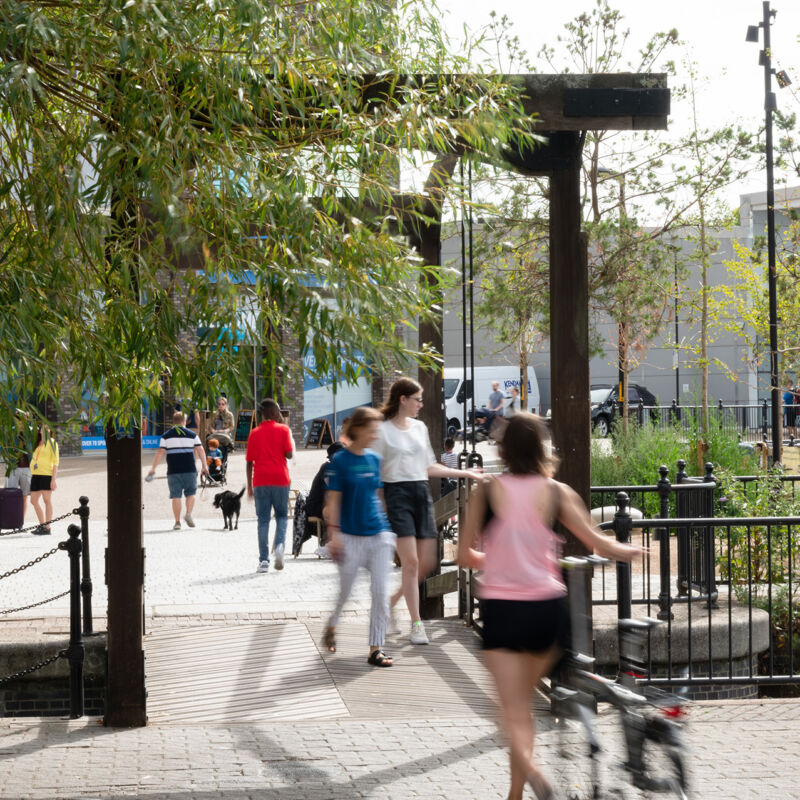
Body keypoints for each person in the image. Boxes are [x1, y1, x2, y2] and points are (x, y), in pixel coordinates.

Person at [457, 412, 643, 800]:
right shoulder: (557, 492)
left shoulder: (486, 491)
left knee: (511, 713)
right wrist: (628, 550)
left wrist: (497, 558)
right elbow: (599, 543)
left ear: (503, 448)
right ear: (542, 447)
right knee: (521, 710)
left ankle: (538, 777)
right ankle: (514, 795)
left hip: (504, 610)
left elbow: (463, 555)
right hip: (547, 611)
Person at [374, 377, 483, 645]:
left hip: (421, 493)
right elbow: (375, 471)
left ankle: (392, 601)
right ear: (403, 399)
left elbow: (429, 466)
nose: (421, 404)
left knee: (428, 563)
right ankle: (416, 623)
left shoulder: (420, 428)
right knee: (410, 562)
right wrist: (379, 506)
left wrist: (463, 472)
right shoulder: (383, 430)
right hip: (396, 493)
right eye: (417, 399)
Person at [323, 407, 396, 667]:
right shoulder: (341, 461)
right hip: (350, 536)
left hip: (378, 534)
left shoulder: (375, 459)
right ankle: (332, 624)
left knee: (380, 591)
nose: (376, 434)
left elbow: (377, 497)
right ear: (360, 429)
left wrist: (386, 528)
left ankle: (375, 649)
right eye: (373, 429)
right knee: (345, 592)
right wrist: (335, 536)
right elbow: (334, 500)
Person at [246, 398, 294, 573]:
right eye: (279, 411)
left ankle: (264, 561)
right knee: (282, 516)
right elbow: (289, 455)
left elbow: (249, 462)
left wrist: (250, 486)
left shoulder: (254, 433)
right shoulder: (283, 430)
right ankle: (280, 547)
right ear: (274, 413)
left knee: (263, 520)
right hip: (281, 479)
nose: (281, 414)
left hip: (260, 481)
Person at [146, 411, 209, 530]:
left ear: (173, 422)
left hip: (173, 470)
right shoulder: (192, 434)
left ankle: (177, 522)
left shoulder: (166, 436)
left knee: (176, 496)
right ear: (184, 422)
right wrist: (205, 466)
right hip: (189, 469)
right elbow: (200, 449)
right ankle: (189, 514)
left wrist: (153, 469)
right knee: (191, 493)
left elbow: (160, 452)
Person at [306, 441, 345, 557]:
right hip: (315, 506)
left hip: (326, 504)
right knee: (335, 509)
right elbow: (332, 487)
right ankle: (328, 543)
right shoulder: (328, 467)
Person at [29, 425, 58, 535]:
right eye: (42, 428)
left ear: (50, 431)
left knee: (47, 501)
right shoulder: (37, 443)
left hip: (46, 475)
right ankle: (42, 525)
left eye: (47, 428)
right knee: (33, 501)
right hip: (35, 475)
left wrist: (53, 480)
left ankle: (47, 527)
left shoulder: (52, 442)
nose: (44, 430)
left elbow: (56, 463)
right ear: (40, 430)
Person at [6, 417, 33, 522]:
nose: (21, 423)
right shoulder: (11, 431)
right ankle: (9, 519)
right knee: (9, 495)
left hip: (27, 468)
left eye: (24, 421)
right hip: (12, 467)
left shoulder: (31, 431)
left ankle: (20, 520)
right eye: (19, 421)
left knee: (24, 496)